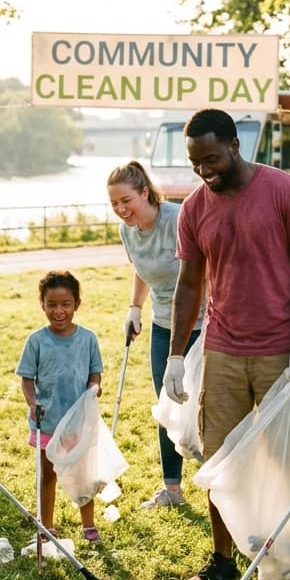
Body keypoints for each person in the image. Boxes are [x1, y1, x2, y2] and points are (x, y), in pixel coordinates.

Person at [163, 108, 290, 580]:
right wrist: (175, 354)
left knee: (285, 459)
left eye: (211, 158)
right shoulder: (194, 209)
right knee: (220, 460)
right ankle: (222, 559)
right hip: (223, 350)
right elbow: (189, 284)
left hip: (281, 350)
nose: (203, 170)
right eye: (195, 162)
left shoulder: (283, 191)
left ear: (235, 145)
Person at [106, 160, 204, 509]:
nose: (121, 210)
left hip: (202, 324)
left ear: (145, 192)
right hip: (163, 324)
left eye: (126, 201)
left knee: (204, 408)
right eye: (115, 204)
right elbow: (140, 269)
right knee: (166, 406)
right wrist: (134, 308)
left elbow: (208, 266)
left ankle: (219, 483)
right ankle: (172, 490)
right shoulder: (127, 232)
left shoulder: (178, 220)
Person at [16, 270, 104, 542]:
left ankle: (88, 525)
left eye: (66, 304)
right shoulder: (36, 341)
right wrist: (32, 403)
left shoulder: (88, 339)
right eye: (52, 305)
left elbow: (95, 373)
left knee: (83, 475)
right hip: (48, 422)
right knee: (48, 476)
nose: (59, 311)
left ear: (77, 304)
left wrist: (94, 388)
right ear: (42, 304)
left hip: (78, 423)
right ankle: (47, 526)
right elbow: (27, 379)